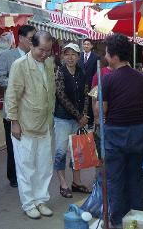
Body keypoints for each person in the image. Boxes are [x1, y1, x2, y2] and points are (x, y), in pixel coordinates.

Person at [98, 34, 143, 228]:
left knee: (115, 178)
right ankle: (137, 217)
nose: (106, 57)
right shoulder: (140, 77)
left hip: (116, 133)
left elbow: (102, 110)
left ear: (115, 56)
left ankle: (118, 220)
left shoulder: (108, 79)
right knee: (135, 175)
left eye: (107, 54)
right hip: (138, 132)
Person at [6, 31, 56, 219]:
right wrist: (14, 122)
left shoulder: (49, 63)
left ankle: (40, 200)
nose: (44, 54)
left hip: (45, 124)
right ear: (31, 46)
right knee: (26, 167)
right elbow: (12, 96)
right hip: (25, 125)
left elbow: (50, 93)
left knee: (44, 165)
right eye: (41, 50)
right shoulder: (20, 65)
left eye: (48, 51)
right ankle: (28, 203)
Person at [0, 25, 36, 188]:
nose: (34, 43)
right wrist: (17, 85)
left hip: (31, 110)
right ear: (21, 38)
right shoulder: (7, 56)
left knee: (30, 145)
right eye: (31, 39)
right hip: (13, 110)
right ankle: (13, 176)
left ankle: (28, 174)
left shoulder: (36, 57)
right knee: (13, 145)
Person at [54, 43, 90, 199]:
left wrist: (85, 115)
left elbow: (86, 94)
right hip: (63, 118)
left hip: (79, 120)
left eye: (73, 54)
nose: (70, 57)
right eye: (67, 54)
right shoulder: (59, 72)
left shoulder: (82, 72)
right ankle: (63, 183)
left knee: (78, 152)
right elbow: (61, 96)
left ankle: (76, 182)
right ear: (63, 56)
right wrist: (79, 115)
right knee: (61, 151)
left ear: (78, 56)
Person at [79, 39, 100, 129]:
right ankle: (81, 119)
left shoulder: (96, 57)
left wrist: (95, 83)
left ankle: (90, 121)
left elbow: (96, 72)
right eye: (84, 44)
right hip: (81, 82)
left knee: (91, 101)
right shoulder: (80, 55)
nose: (86, 46)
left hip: (91, 83)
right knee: (82, 100)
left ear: (91, 46)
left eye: (88, 44)